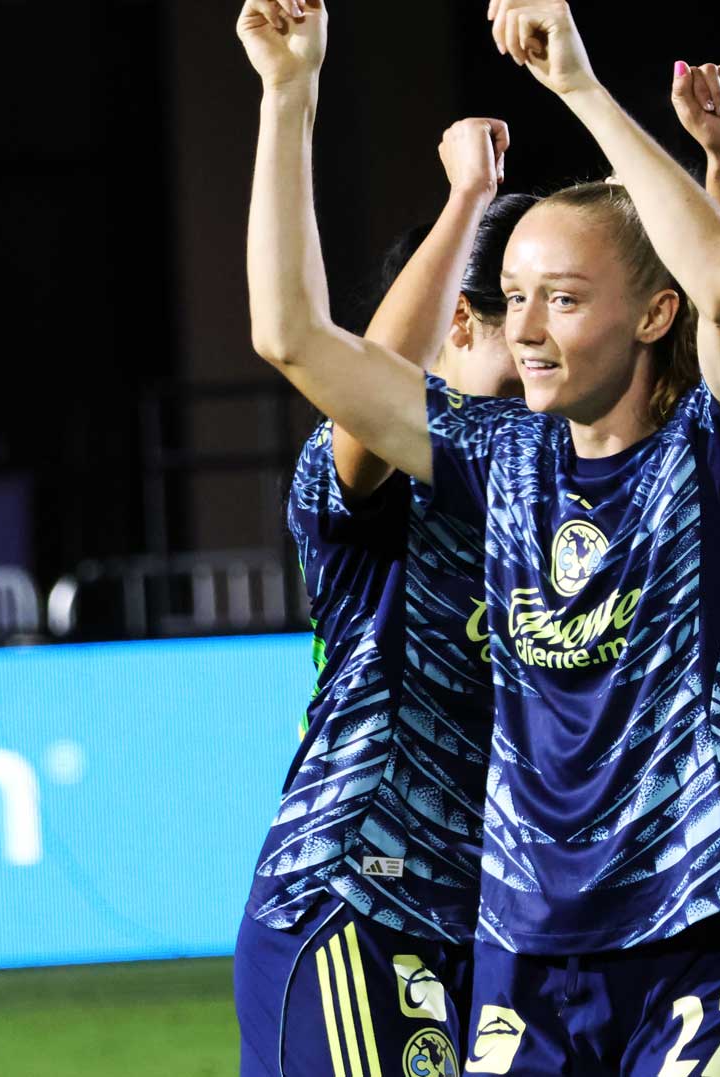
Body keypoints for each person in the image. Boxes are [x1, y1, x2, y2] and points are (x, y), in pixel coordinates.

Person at [239, 1, 720, 1071]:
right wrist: (288, 92)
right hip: (525, 948)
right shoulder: (497, 455)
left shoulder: (716, 458)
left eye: (561, 298)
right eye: (514, 300)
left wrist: (584, 90)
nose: (529, 330)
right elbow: (289, 338)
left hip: (708, 920)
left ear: (651, 316)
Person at [230, 91, 527, 1075]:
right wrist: (468, 201)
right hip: (357, 896)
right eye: (519, 305)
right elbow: (347, 367)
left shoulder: (551, 485)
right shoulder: (378, 490)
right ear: (457, 326)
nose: (542, 333)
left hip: (482, 917)